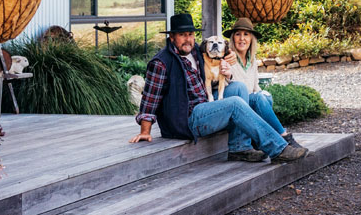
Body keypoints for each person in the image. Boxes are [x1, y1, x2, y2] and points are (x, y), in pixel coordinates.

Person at [129, 13, 308, 164]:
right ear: (172, 37)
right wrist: (145, 131)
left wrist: (230, 57)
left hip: (205, 105)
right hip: (187, 118)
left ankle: (240, 147)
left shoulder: (195, 52)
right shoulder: (161, 63)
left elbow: (221, 50)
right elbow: (150, 98)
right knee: (235, 103)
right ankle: (278, 149)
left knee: (238, 87)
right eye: (183, 35)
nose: (188, 39)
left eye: (191, 34)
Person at [224, 18, 302, 148]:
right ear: (233, 38)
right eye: (238, 34)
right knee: (259, 98)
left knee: (265, 97)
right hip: (236, 106)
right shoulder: (228, 57)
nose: (242, 38)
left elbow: (255, 86)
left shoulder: (252, 59)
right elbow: (227, 86)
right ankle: (283, 136)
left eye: (246, 34)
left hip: (249, 102)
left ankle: (258, 141)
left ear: (251, 39)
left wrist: (264, 97)